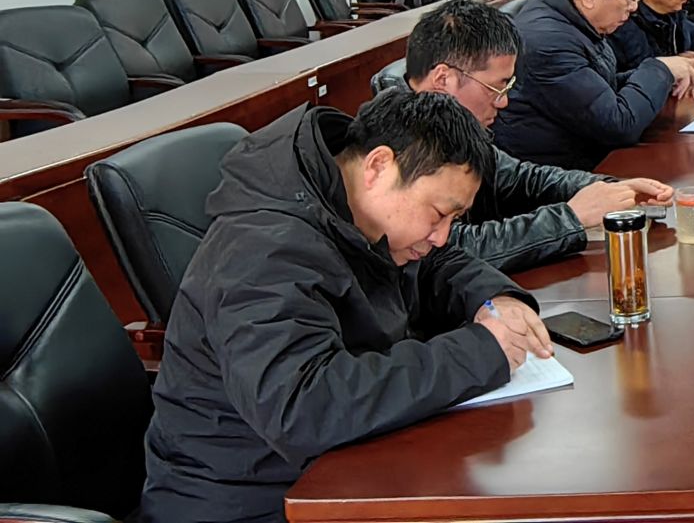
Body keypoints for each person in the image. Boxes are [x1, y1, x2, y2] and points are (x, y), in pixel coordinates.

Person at [137, 90, 553, 522]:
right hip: (245, 499)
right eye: (437, 214)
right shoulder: (262, 251)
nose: (442, 236)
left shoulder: (354, 207)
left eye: (454, 220)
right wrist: (479, 352)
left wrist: (494, 299)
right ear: (378, 166)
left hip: (326, 470)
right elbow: (303, 410)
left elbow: (435, 264)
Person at [401, 0, 676, 273]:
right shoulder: (399, 142)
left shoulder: (454, 127)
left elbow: (523, 179)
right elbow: (449, 249)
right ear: (443, 80)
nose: (503, 102)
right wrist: (571, 218)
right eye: (496, 88)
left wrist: (609, 188)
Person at [494, 0, 694, 170]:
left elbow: (600, 88)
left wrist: (663, 79)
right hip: (559, 175)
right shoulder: (549, 41)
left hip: (586, 158)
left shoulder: (574, 20)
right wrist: (660, 69)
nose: (634, 6)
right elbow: (618, 125)